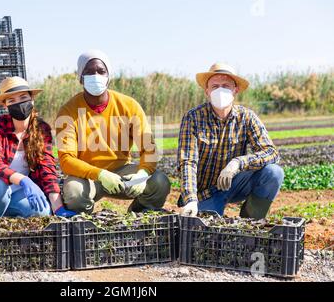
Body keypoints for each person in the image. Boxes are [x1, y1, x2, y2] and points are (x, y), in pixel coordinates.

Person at [55, 50, 171, 214]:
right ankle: (87, 223)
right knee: (74, 192)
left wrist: (142, 174)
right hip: (88, 177)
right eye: (89, 72)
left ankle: (139, 214)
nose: (96, 76)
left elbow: (149, 148)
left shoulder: (129, 106)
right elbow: (66, 160)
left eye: (101, 71)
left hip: (122, 173)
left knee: (160, 182)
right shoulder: (68, 111)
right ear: (80, 77)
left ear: (108, 76)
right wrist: (100, 174)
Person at [177, 63, 284, 219]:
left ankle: (251, 220)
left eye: (226, 86)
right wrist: (190, 199)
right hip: (205, 193)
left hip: (234, 184)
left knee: (273, 173)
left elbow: (271, 153)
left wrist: (238, 163)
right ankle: (202, 207)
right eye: (215, 86)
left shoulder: (246, 117)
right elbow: (188, 162)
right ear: (207, 91)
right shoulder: (193, 118)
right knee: (206, 232)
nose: (220, 90)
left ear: (235, 90)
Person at [0, 76, 76, 218]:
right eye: (12, 100)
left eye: (23, 97)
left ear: (32, 100)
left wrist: (58, 208)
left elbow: (47, 169)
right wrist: (24, 180)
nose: (19, 103)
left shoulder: (42, 129)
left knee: (41, 212)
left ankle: (7, 216)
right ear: (5, 106)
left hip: (19, 193)